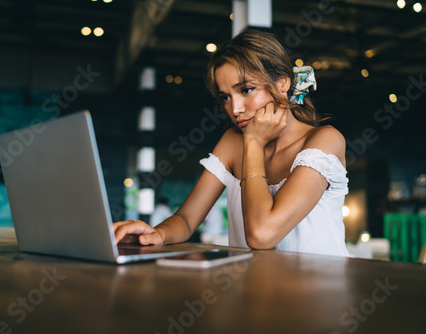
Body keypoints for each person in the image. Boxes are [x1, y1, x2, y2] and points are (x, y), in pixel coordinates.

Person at [114, 29, 350, 257]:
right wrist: (157, 234)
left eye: (246, 90)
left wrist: (255, 143)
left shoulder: (325, 140)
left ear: (282, 84)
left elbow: (261, 235)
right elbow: (186, 219)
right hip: (256, 294)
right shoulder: (232, 142)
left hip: (321, 293)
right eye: (225, 97)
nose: (235, 109)